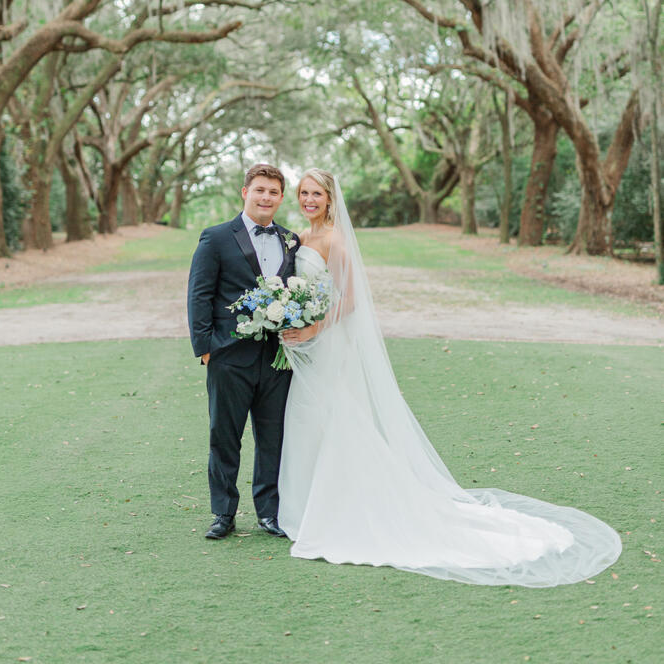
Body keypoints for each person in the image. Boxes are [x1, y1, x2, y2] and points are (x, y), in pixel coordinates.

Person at [277, 168, 622, 586]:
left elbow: (350, 301)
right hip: (308, 348)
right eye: (304, 192)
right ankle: (304, 506)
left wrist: (313, 328)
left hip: (329, 345)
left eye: (317, 193)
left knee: (332, 418)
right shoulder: (300, 237)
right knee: (307, 418)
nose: (309, 199)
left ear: (331, 199)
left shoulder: (335, 240)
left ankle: (336, 509)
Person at [187, 164, 300, 540]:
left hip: (278, 359)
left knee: (273, 436)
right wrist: (206, 350)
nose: (266, 197)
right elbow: (199, 294)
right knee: (225, 435)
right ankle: (223, 513)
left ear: (281, 198)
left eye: (273, 192)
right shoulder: (216, 238)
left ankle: (269, 513)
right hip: (228, 357)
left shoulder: (291, 241)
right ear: (245, 192)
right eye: (260, 190)